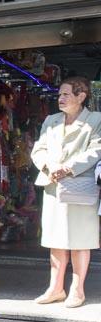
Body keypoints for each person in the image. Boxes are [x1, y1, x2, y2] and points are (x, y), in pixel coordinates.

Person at [30, 76, 101, 308]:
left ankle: (77, 290)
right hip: (53, 184)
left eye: (66, 94)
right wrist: (48, 166)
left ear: (81, 96)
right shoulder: (51, 120)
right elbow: (38, 149)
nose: (60, 98)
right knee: (55, 239)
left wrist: (68, 168)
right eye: (59, 94)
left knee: (80, 240)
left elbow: (96, 150)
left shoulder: (96, 119)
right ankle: (55, 288)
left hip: (80, 187)